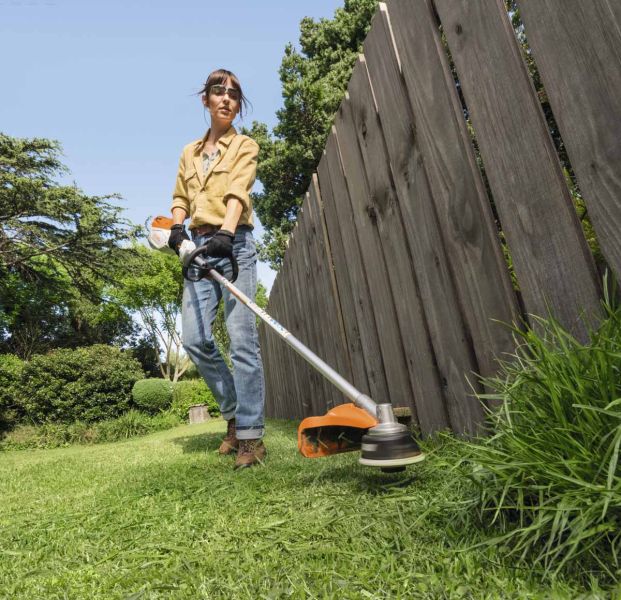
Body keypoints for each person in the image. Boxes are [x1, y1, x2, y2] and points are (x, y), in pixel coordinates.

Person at [168, 68, 266, 469]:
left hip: (235, 245)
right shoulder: (189, 152)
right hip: (198, 249)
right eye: (218, 91)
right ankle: (233, 415)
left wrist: (226, 233)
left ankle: (251, 437)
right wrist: (176, 225)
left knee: (242, 338)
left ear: (238, 106)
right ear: (205, 100)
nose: (226, 98)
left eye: (234, 94)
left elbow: (237, 191)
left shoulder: (245, 145)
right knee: (194, 339)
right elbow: (179, 196)